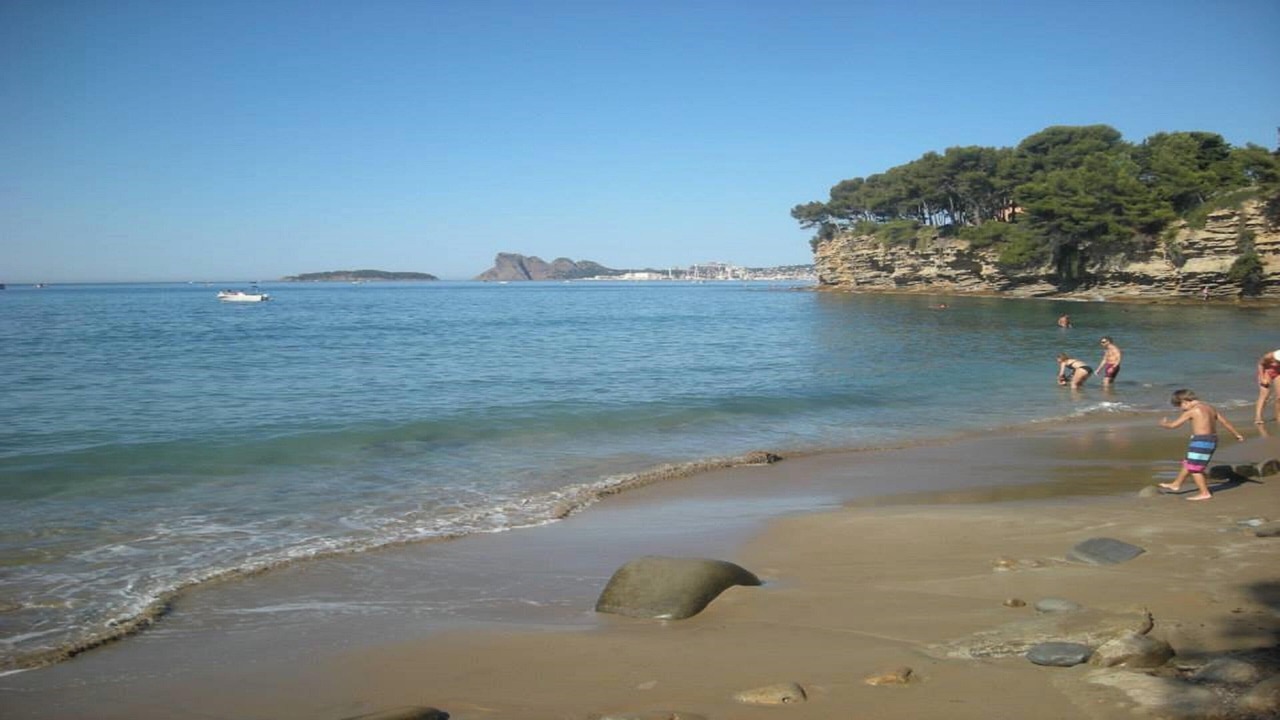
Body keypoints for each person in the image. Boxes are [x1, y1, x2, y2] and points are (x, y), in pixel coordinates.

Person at [1157, 389, 1245, 501]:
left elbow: (1174, 425)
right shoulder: (1210, 408)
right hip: (1212, 440)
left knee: (1195, 469)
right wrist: (1237, 434)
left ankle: (1204, 493)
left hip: (1201, 441)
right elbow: (1225, 422)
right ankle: (1176, 484)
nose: (1181, 409)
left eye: (1180, 406)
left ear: (1185, 402)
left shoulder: (1191, 411)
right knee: (1189, 462)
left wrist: (1164, 424)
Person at [1256, 349, 1280, 425]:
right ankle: (1258, 417)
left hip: (1278, 373)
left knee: (1279, 397)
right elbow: (1260, 364)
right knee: (1264, 395)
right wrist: (1262, 378)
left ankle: (1278, 416)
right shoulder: (1269, 356)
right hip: (1267, 372)